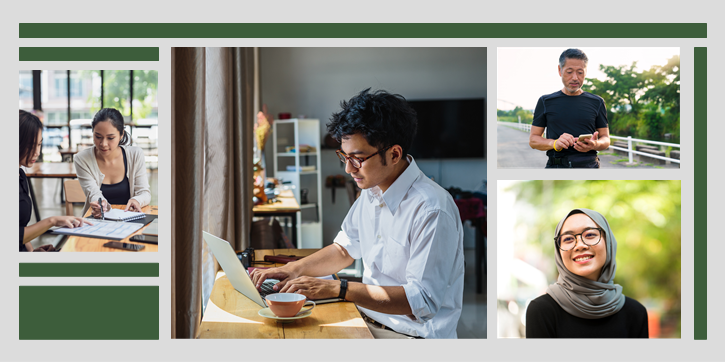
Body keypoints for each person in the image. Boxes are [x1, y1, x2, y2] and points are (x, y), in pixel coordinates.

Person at [251, 89, 465, 339]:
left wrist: (338, 288)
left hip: (409, 337)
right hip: (364, 319)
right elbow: (344, 249)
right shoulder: (371, 190)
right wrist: (295, 269)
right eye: (344, 156)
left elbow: (422, 301)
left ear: (394, 154)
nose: (348, 168)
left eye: (357, 158)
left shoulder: (432, 209)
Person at [526, 208, 649, 338]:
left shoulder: (635, 312)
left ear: (608, 242)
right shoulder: (542, 311)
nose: (580, 245)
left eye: (590, 235)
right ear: (559, 251)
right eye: (568, 239)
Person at [19, 110, 92, 252]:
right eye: (31, 145)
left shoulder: (20, 176)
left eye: (39, 145)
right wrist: (52, 221)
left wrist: (32, 252)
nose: (37, 152)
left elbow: (21, 230)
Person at [529, 48, 611, 168]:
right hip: (556, 168)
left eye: (580, 72)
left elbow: (606, 139)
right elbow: (533, 140)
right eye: (569, 71)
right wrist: (555, 143)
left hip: (589, 167)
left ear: (585, 72)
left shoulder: (597, 102)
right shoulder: (545, 101)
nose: (575, 78)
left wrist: (595, 144)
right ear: (560, 70)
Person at [74, 108, 151, 217]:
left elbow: (144, 193)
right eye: (98, 137)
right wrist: (101, 205)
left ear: (121, 135)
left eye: (110, 138)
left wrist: (136, 200)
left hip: (130, 221)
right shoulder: (82, 159)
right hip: (97, 221)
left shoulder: (135, 155)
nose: (103, 144)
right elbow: (93, 194)